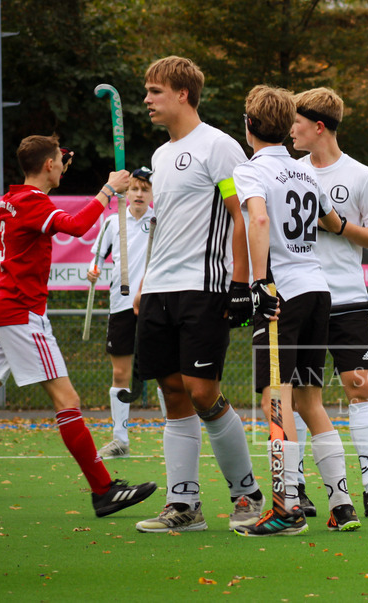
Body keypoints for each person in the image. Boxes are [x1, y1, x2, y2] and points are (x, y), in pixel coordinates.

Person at [0, 136, 157, 518]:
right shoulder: (32, 202)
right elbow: (76, 225)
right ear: (48, 166)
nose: (63, 166)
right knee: (67, 401)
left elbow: (47, 170)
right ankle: (103, 490)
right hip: (22, 314)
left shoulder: (14, 197)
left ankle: (103, 489)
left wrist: (59, 154)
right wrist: (107, 189)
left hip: (8, 312)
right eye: (59, 161)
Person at [133, 56, 264, 533]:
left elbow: (241, 215)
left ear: (183, 94)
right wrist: (145, 284)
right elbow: (162, 228)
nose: (147, 100)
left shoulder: (219, 147)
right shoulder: (162, 155)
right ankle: (183, 505)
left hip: (205, 289)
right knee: (172, 393)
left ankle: (247, 495)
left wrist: (241, 283)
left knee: (202, 391)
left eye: (155, 91)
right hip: (161, 290)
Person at [232, 84, 361, 535]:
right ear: (288, 128)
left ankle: (286, 508)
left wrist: (260, 283)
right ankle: (342, 505)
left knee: (276, 396)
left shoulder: (248, 170)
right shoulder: (305, 173)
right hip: (318, 289)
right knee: (309, 399)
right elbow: (329, 221)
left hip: (283, 294)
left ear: (249, 126)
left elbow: (259, 219)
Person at [290, 87, 368, 518]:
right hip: (300, 298)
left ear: (318, 126)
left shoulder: (361, 175)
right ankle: (298, 489)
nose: (291, 130)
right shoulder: (289, 173)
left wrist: (339, 226)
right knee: (299, 395)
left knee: (360, 388)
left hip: (347, 297)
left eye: (298, 123)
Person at [87, 167, 158, 459]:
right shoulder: (112, 223)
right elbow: (96, 260)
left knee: (166, 372)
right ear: (126, 192)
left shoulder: (161, 220)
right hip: (121, 304)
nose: (139, 194)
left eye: (145, 189)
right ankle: (120, 439)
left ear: (152, 193)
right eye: (134, 189)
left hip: (156, 304)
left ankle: (176, 431)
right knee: (120, 372)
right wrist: (93, 271)